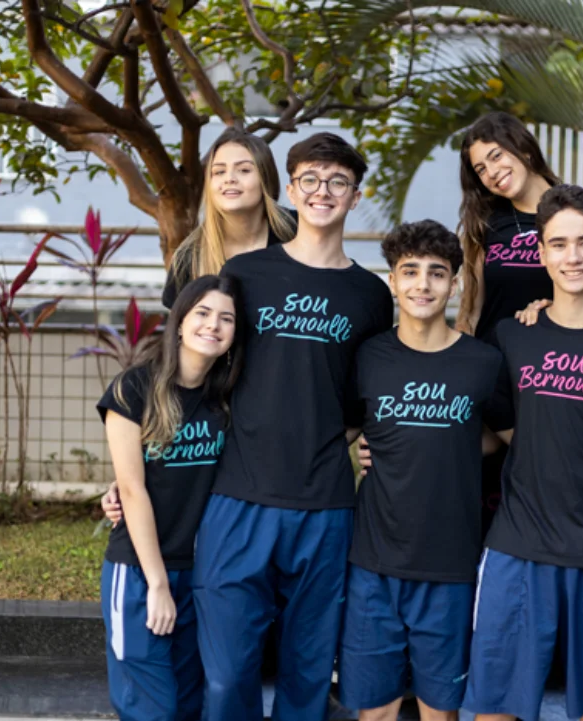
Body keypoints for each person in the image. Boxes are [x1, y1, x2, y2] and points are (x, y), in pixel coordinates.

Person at [191, 132, 393, 721]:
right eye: (310, 179)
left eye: (337, 182)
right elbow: (197, 374)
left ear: (355, 196)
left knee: (307, 673)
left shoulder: (371, 295)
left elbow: (364, 398)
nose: (322, 191)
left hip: (324, 504)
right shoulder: (244, 274)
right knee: (227, 674)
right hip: (239, 496)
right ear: (292, 190)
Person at [464, 184, 583, 721]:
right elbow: (499, 428)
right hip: (518, 543)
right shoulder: (512, 336)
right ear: (541, 252)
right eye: (560, 244)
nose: (573, 257)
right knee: (494, 707)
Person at [339, 220, 502, 721]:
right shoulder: (368, 357)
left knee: (440, 711)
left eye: (437, 273)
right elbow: (340, 433)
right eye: (410, 271)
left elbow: (513, 437)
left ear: (454, 284)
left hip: (450, 565)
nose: (422, 284)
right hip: (373, 563)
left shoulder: (483, 362)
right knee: (375, 710)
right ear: (392, 281)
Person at [97, 274, 246, 721]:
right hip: (139, 571)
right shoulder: (133, 389)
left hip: (201, 574)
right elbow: (132, 488)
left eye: (226, 318)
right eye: (203, 313)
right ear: (180, 321)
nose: (213, 325)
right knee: (150, 709)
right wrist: (158, 585)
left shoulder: (228, 398)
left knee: (187, 705)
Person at [454, 111, 561, 538]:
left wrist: (556, 305)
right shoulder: (486, 223)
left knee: (548, 481)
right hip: (493, 379)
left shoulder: (575, 211)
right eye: (481, 168)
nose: (492, 172)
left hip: (550, 376)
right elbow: (470, 309)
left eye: (497, 156)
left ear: (524, 147)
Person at [162, 127, 297, 308]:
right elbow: (181, 324)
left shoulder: (299, 230)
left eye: (244, 170)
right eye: (219, 172)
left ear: (266, 178)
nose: (229, 179)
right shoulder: (189, 257)